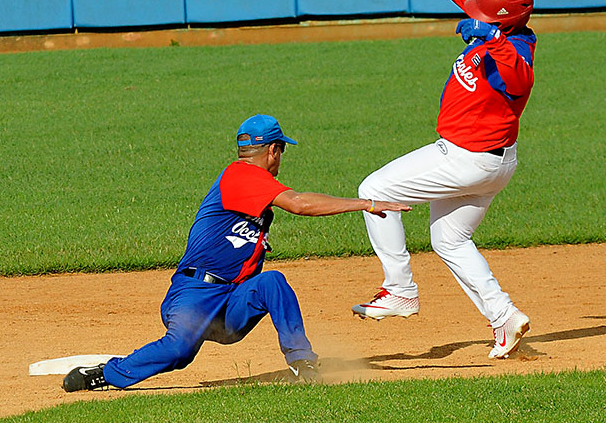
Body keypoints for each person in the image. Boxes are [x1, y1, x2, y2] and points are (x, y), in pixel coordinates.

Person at [63, 114, 411, 391]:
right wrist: (367, 203)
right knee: (179, 352)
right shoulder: (241, 176)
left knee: (272, 283)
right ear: (273, 150)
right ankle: (105, 374)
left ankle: (303, 364)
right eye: (281, 151)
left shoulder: (250, 185)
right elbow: (300, 204)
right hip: (195, 293)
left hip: (230, 302)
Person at [351, 0, 536, 359]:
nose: (477, 17)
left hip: (466, 158)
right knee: (450, 240)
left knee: (374, 189)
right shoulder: (495, 21)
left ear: (505, 22)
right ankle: (504, 316)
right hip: (492, 161)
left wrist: (493, 41)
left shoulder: (518, 48)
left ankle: (399, 289)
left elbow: (521, 79)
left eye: (488, 19)